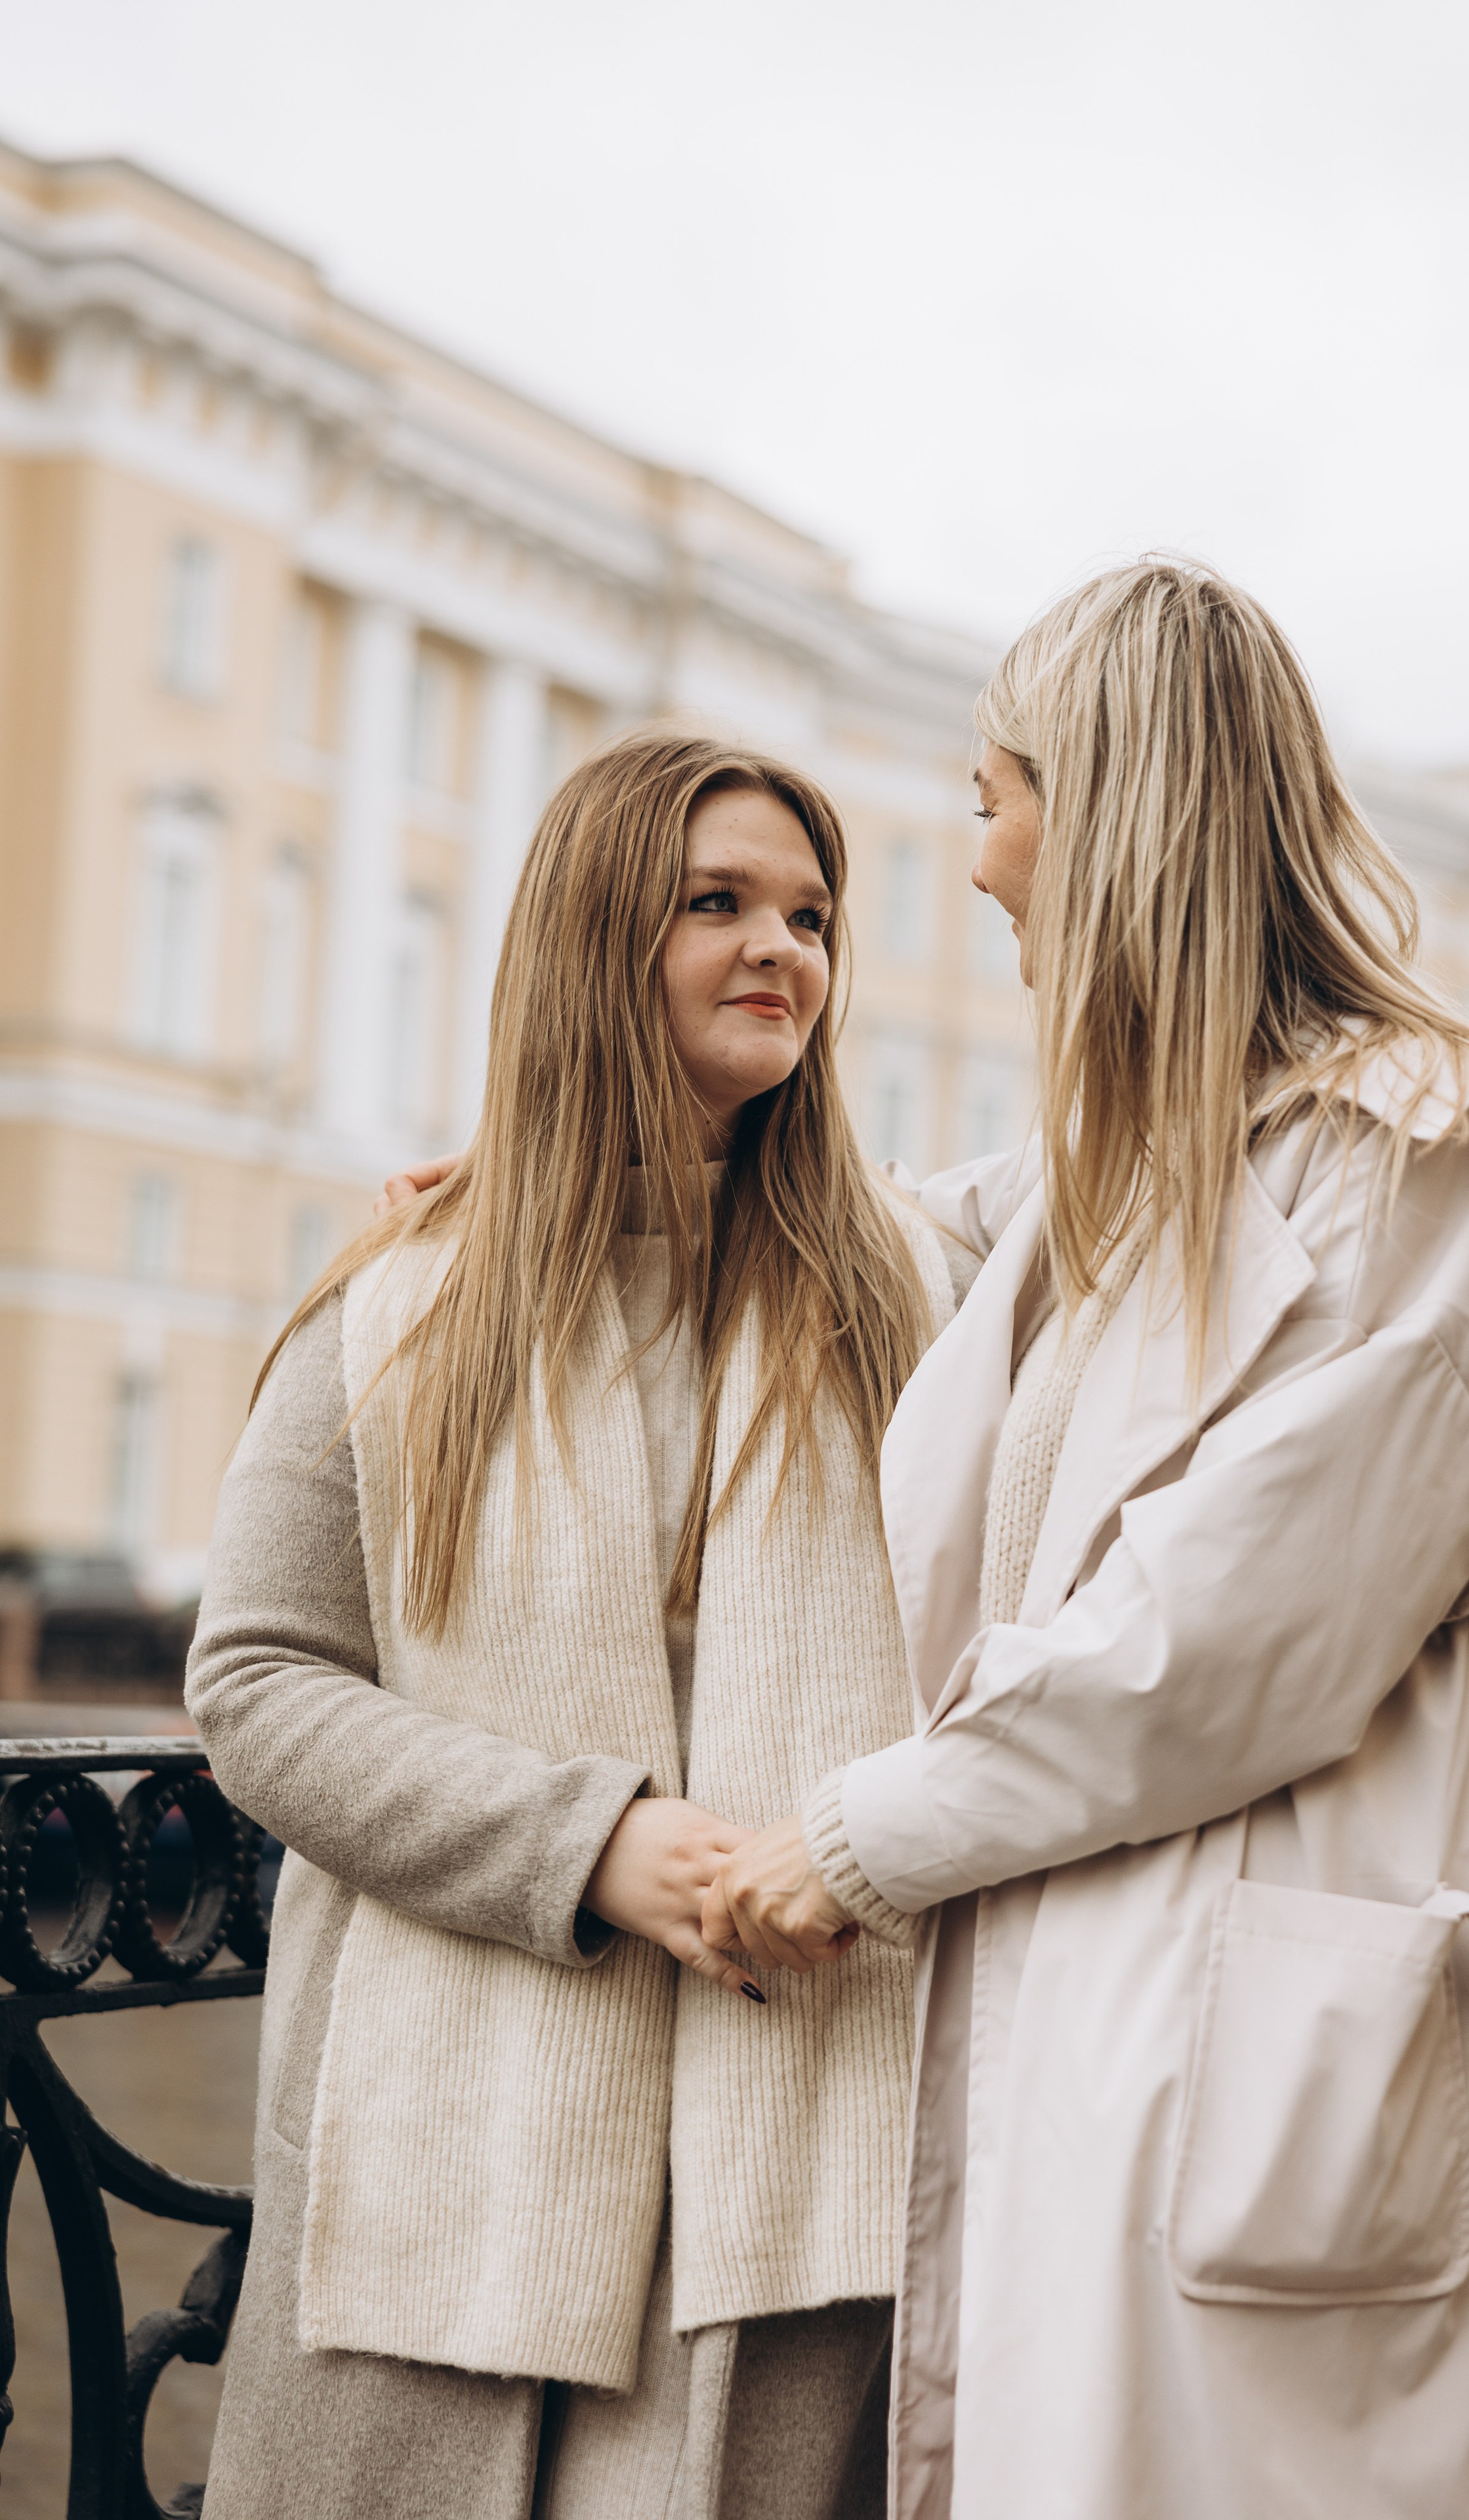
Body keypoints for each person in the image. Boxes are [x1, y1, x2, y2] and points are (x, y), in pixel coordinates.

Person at [707, 562, 1469, 2520]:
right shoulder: (1110, 1177)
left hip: (1269, 2103)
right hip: (1105, 2068)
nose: (974, 868)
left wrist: (863, 1832)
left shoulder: (1422, 1145)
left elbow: (1224, 1632)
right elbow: (866, 1226)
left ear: (1111, 807)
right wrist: (592, 1165)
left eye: (991, 797)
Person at [185, 728, 976, 2520]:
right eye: (719, 904)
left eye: (811, 914)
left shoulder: (917, 1304)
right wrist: (593, 1845)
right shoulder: (402, 1305)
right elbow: (257, 1683)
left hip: (807, 2160)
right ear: (596, 939)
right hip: (452, 2162)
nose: (783, 949)